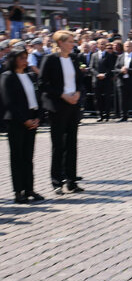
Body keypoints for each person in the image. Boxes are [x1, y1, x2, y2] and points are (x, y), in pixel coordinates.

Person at [38, 30, 84, 195]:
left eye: (73, 41)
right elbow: (42, 83)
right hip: (58, 106)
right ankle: (57, 181)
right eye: (70, 41)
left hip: (73, 105)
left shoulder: (73, 58)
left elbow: (79, 80)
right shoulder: (50, 59)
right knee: (58, 145)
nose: (73, 44)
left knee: (72, 144)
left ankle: (71, 181)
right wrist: (62, 95)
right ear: (60, 43)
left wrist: (78, 92)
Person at [1, 46, 43, 203]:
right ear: (13, 60)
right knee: (17, 157)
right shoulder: (7, 76)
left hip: (31, 119)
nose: (25, 61)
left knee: (28, 157)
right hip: (17, 122)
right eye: (21, 58)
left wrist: (38, 117)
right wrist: (24, 120)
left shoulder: (29, 76)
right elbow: (9, 102)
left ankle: (29, 189)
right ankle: (18, 191)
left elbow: (36, 98)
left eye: (26, 58)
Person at [90, 40, 116, 121]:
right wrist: (97, 74)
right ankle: (100, 115)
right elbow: (91, 67)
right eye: (101, 44)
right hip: (96, 80)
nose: (102, 45)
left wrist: (104, 74)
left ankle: (107, 115)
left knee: (107, 98)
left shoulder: (110, 55)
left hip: (106, 80)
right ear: (97, 45)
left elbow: (111, 67)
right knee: (97, 98)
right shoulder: (94, 55)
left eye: (104, 44)